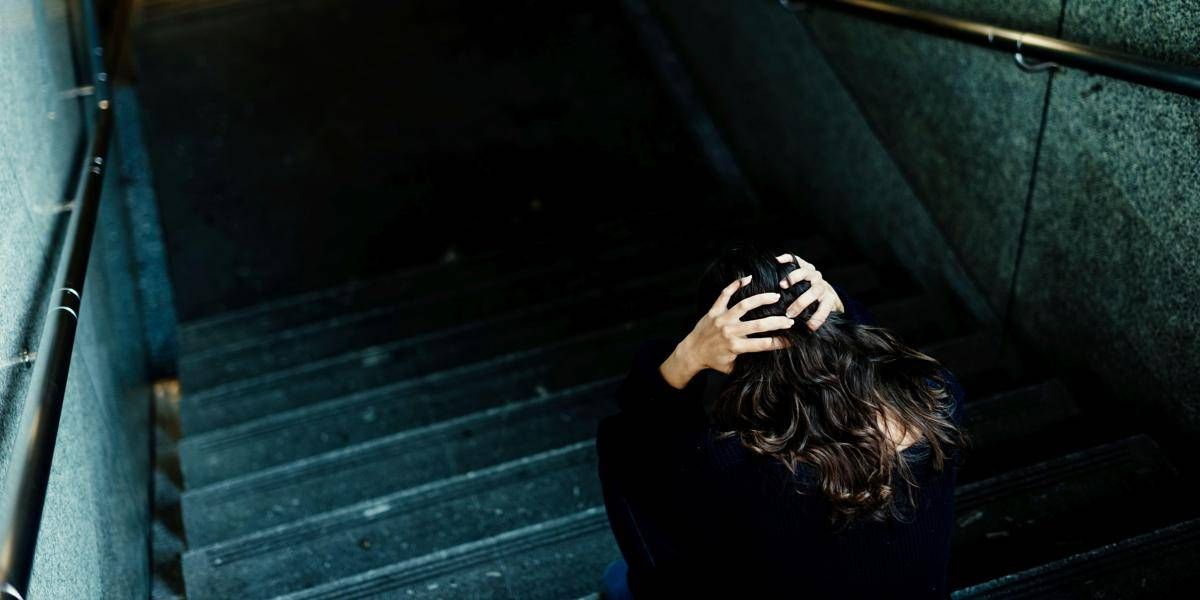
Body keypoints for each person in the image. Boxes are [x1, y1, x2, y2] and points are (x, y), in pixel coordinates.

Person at [597, 244, 967, 599]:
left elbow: (622, 451)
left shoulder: (734, 464)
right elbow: (879, 357)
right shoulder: (936, 394)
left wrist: (688, 356)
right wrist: (842, 310)